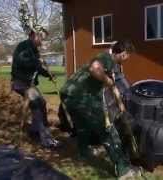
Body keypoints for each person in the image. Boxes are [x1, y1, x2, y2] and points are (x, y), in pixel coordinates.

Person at [59, 40, 141, 179]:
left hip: (68, 95)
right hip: (82, 97)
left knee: (82, 126)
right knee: (108, 130)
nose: (127, 59)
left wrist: (120, 103)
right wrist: (106, 80)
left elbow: (113, 85)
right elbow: (94, 69)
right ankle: (123, 170)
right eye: (127, 56)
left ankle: (83, 154)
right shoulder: (106, 58)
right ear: (123, 54)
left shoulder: (109, 63)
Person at [11, 29, 61, 148]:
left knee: (42, 103)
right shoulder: (23, 46)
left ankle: (34, 131)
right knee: (37, 104)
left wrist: (49, 75)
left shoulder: (34, 50)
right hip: (20, 83)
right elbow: (21, 62)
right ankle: (47, 140)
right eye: (41, 38)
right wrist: (36, 60)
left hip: (29, 84)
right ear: (34, 36)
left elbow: (38, 68)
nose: (43, 41)